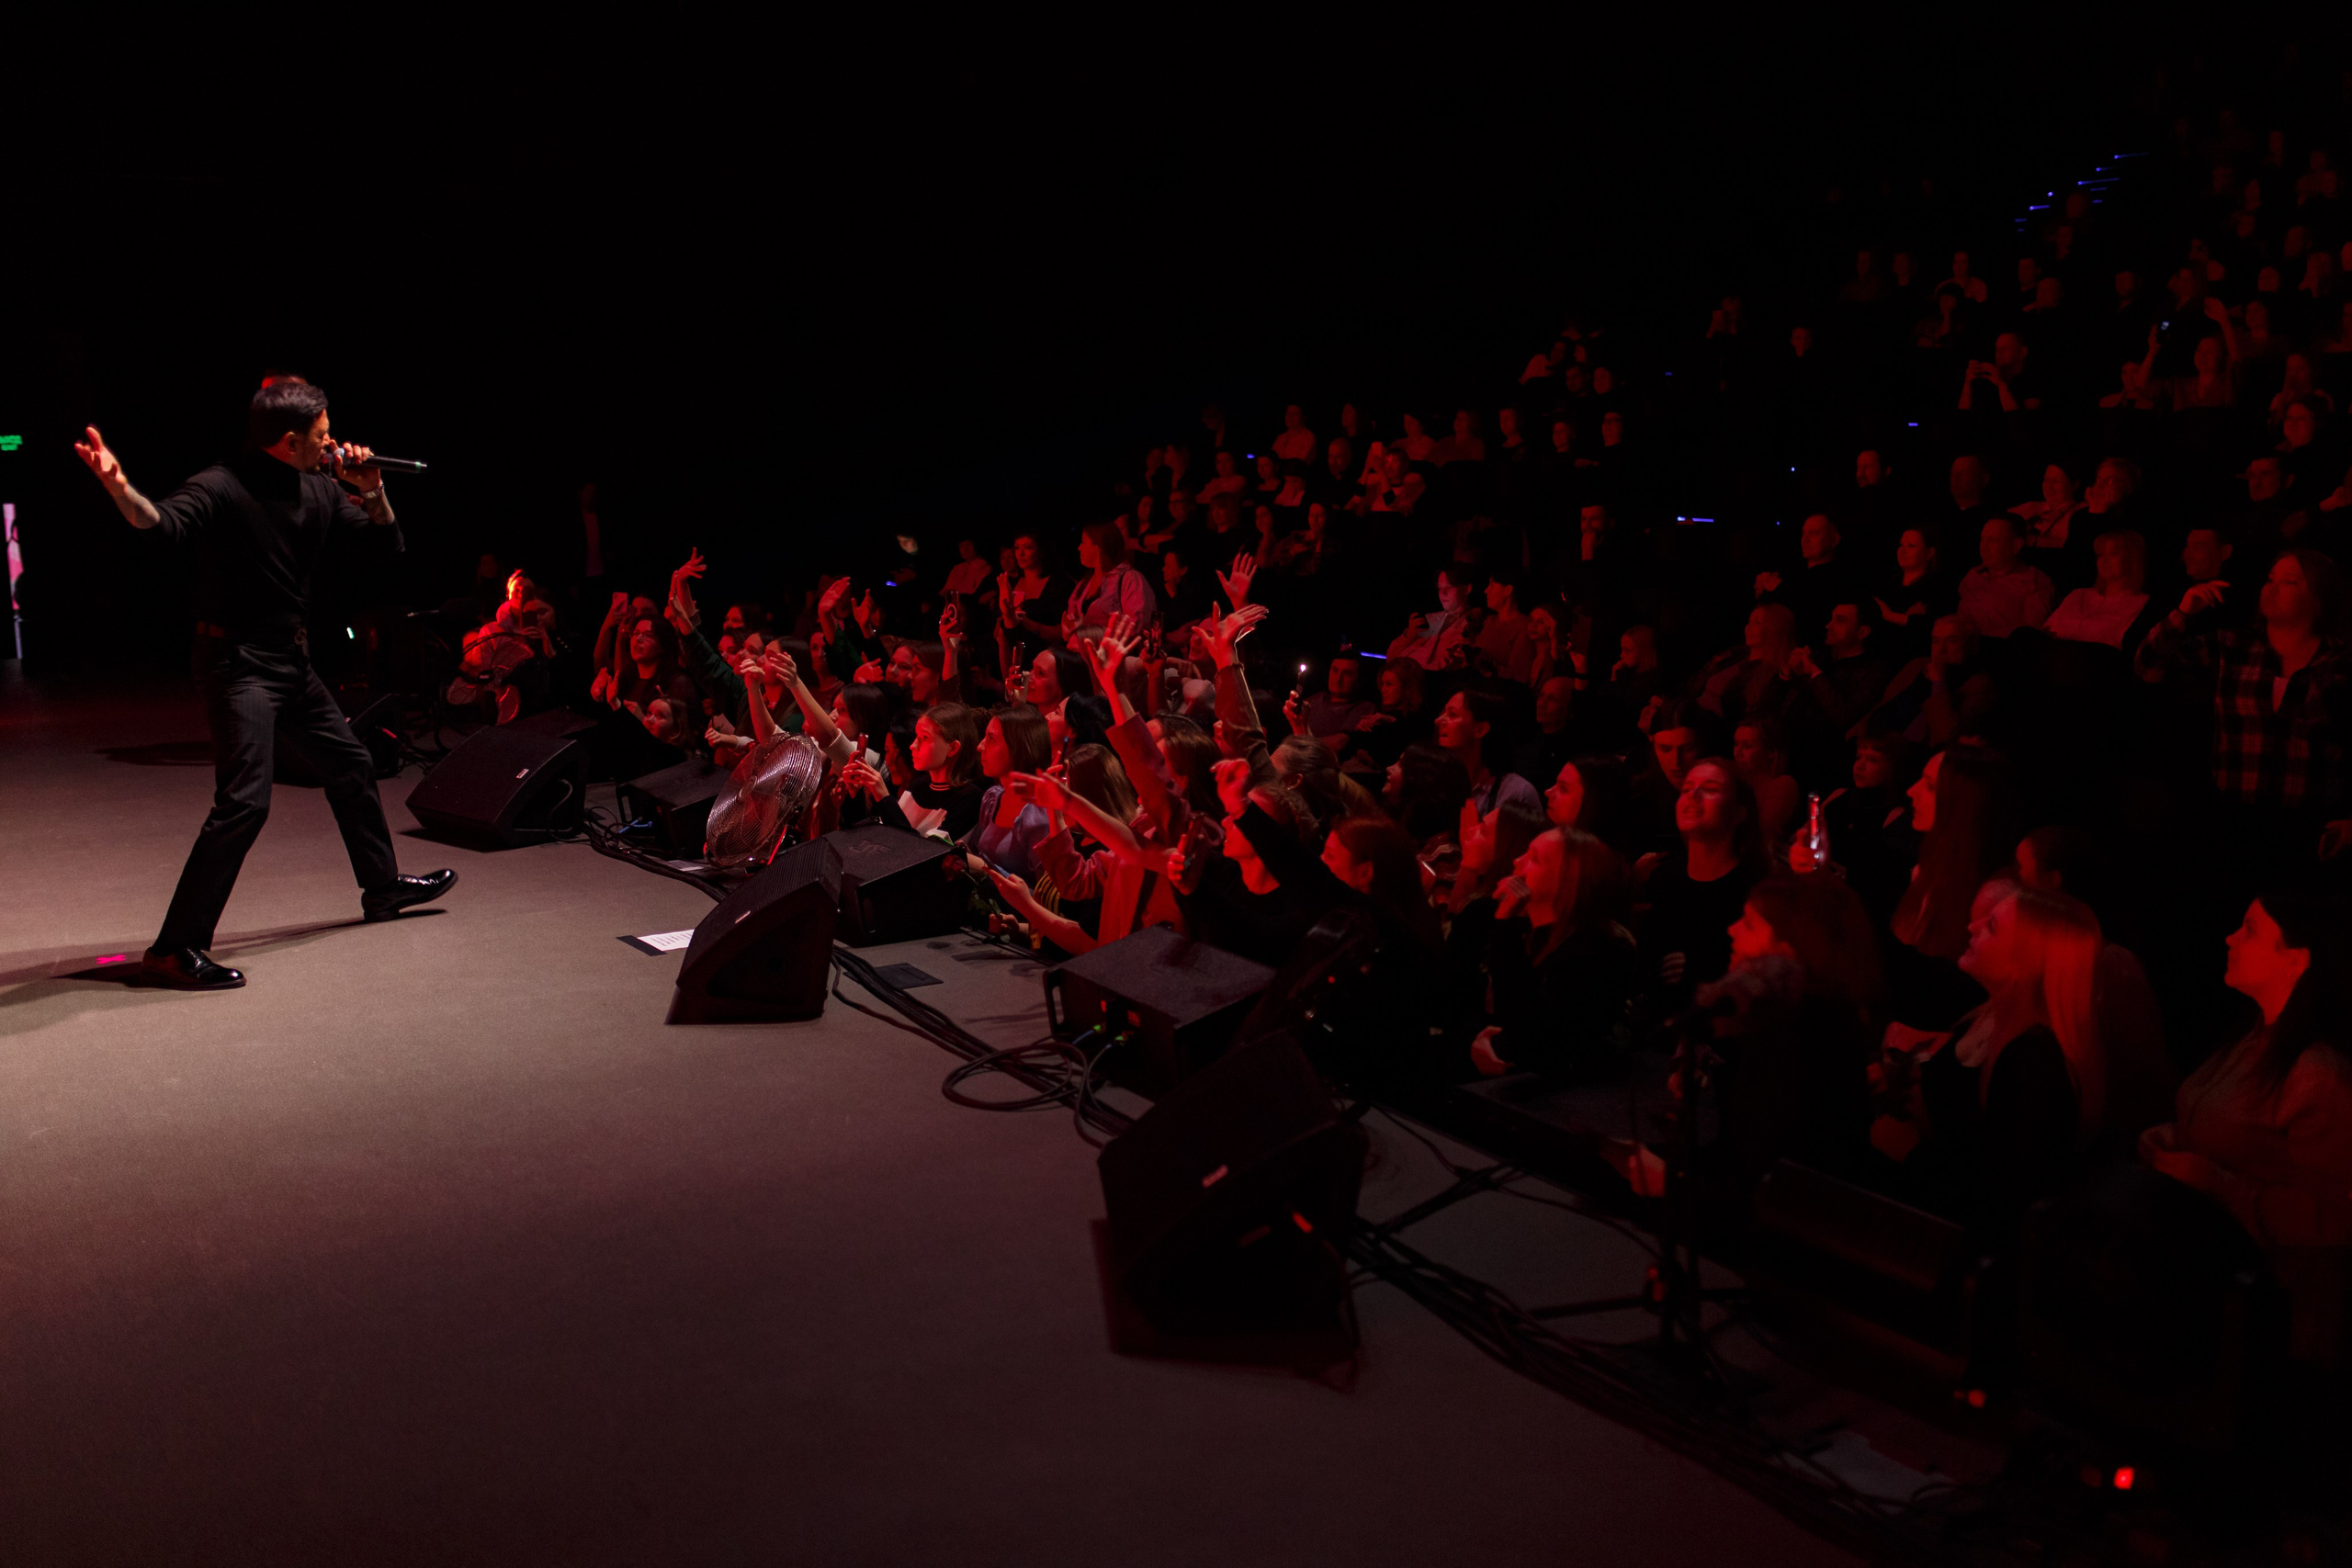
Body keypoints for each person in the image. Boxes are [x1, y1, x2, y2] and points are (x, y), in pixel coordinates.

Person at [71, 385, 454, 989]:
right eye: (323, 435)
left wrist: (373, 489)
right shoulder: (223, 485)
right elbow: (161, 526)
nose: (333, 442)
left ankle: (382, 888)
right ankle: (172, 949)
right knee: (246, 800)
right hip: (235, 662)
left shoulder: (321, 487)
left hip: (289, 662)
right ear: (290, 440)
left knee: (350, 763)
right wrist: (120, 488)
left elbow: (388, 548)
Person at [2143, 893, 2352, 1365]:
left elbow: (2338, 1213)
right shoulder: (2250, 1040)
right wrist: (2171, 1141)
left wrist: (2216, 1186)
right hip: (2210, 1282)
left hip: (2272, 1314)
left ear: (2296, 960)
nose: (2230, 937)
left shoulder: (2316, 1074)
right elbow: (2237, 1140)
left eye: (2250, 929)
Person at [1467, 829, 1638, 1078]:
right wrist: (1477, 1039)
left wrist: (1506, 927)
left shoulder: (1599, 950)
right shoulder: (1527, 930)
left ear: (1568, 880)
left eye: (1534, 858)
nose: (1517, 861)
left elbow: (1535, 1035)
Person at [2044, 529, 2157, 650]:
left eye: (2114, 554)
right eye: (2100, 555)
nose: (2104, 560)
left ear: (2131, 558)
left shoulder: (2142, 604)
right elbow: (2046, 631)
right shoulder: (2078, 595)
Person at [1956, 513, 2055, 638]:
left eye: (1992, 540)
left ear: (2016, 546)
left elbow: (2030, 634)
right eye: (1982, 539)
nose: (1983, 548)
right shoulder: (1973, 575)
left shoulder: (2035, 582)